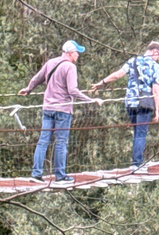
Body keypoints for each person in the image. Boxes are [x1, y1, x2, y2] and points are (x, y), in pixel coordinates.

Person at [19, 40, 103, 183]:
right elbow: (73, 90)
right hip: (63, 110)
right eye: (77, 52)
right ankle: (60, 175)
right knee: (61, 142)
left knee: (43, 141)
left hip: (48, 108)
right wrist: (91, 100)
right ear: (70, 53)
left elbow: (37, 78)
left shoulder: (51, 62)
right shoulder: (70, 67)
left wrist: (28, 89)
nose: (78, 55)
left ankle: (36, 174)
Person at [91, 41, 159, 170]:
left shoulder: (133, 61)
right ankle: (137, 164)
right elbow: (156, 90)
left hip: (130, 103)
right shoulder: (155, 67)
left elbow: (118, 75)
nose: (158, 58)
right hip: (145, 103)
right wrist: (157, 110)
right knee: (141, 133)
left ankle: (136, 161)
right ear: (155, 51)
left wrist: (101, 82)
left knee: (136, 132)